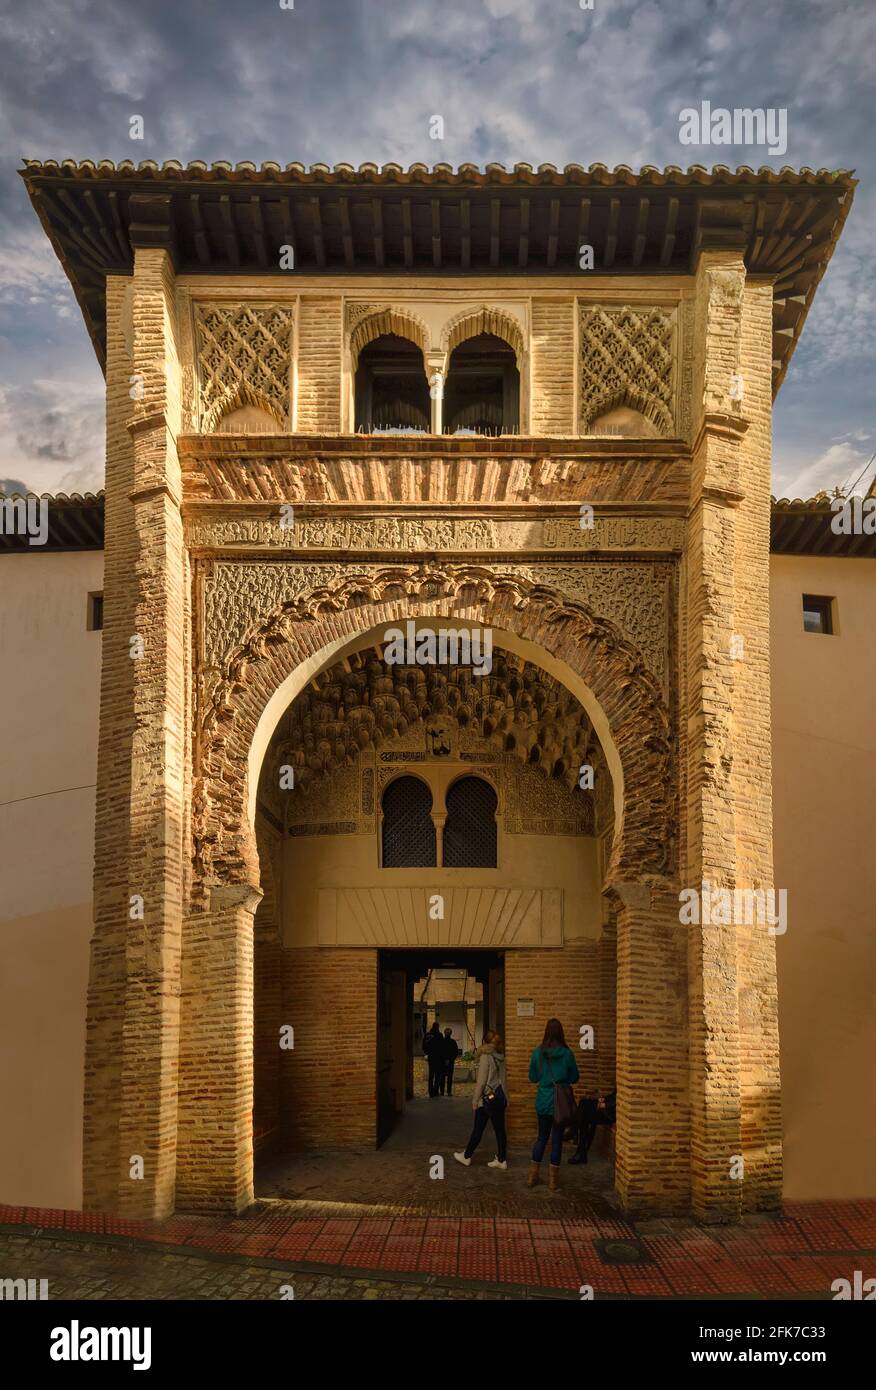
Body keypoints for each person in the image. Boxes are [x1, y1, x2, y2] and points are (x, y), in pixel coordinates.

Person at [527, 1017, 579, 1192]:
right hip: (560, 1104)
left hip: (543, 1100)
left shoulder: (537, 1053)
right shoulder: (567, 1053)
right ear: (561, 1033)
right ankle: (553, 1182)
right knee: (557, 1141)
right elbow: (575, 1077)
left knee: (541, 1138)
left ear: (546, 1032)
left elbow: (532, 1077)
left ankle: (532, 1177)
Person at [453, 1030, 508, 1170]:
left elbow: (482, 1081)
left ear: (485, 1042)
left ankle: (466, 1156)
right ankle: (502, 1159)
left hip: (487, 1098)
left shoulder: (485, 1057)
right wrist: (506, 1097)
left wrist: (475, 1100)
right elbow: (503, 1080)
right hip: (498, 1097)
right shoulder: (501, 1056)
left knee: (478, 1129)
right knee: (500, 1130)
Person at [569, 1087, 616, 1164]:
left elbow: (622, 1100)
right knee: (583, 1103)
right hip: (607, 1109)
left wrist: (606, 1105)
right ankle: (580, 1151)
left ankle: (574, 1133)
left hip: (611, 1113)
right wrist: (603, 1099)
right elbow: (614, 1095)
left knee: (585, 1118)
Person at [423, 1020, 443, 1098]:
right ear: (438, 1027)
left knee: (431, 1075)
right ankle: (435, 1091)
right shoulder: (439, 1035)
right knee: (437, 1075)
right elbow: (442, 1047)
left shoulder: (428, 1035)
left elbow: (424, 1046)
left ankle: (431, 1092)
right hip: (438, 1058)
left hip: (431, 1057)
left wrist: (428, 1053)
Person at [439, 1027, 460, 1095]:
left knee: (446, 1078)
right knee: (444, 1078)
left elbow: (455, 1052)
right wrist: (449, 1059)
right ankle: (445, 1091)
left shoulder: (443, 1041)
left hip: (446, 1062)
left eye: (448, 1032)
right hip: (446, 1062)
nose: (447, 1034)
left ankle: (446, 1091)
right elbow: (455, 1052)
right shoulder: (451, 1042)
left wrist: (448, 1059)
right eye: (447, 1032)